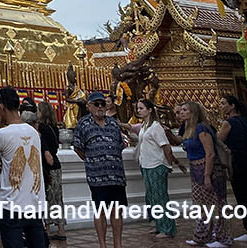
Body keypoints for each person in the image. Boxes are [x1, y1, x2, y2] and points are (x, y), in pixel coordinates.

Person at [0, 86, 46, 248]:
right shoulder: (33, 132)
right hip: (33, 201)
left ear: (1, 106)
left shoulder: (1, 134)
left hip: (10, 204)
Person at [73, 92, 126, 248]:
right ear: (89, 106)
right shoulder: (83, 124)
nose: (101, 107)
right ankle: (103, 244)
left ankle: (118, 244)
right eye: (96, 104)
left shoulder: (113, 123)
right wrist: (93, 160)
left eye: (103, 104)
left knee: (117, 211)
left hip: (116, 175)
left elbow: (120, 144)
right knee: (100, 210)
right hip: (97, 175)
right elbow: (78, 148)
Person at [181, 101, 231, 247]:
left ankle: (223, 237)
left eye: (185, 110)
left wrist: (207, 175)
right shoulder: (188, 129)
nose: (181, 112)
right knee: (200, 205)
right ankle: (202, 235)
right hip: (195, 170)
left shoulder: (201, 129)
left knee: (216, 204)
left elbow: (210, 153)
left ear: (193, 113)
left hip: (209, 170)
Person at [217, 95, 247, 242]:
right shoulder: (243, 121)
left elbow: (218, 140)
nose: (221, 106)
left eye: (224, 103)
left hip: (237, 164)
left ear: (232, 106)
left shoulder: (229, 123)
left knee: (243, 198)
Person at [133, 98, 182, 239]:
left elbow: (165, 146)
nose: (138, 111)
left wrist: (169, 163)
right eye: (138, 108)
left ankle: (168, 228)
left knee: (160, 197)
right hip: (147, 164)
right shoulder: (144, 126)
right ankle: (159, 225)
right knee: (152, 197)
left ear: (149, 110)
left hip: (157, 165)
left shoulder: (156, 127)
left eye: (141, 108)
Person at [36, 101, 66, 242]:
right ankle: (61, 228)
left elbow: (45, 150)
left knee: (47, 198)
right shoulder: (55, 127)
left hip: (47, 166)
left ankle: (47, 228)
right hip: (57, 165)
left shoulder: (41, 128)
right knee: (58, 199)